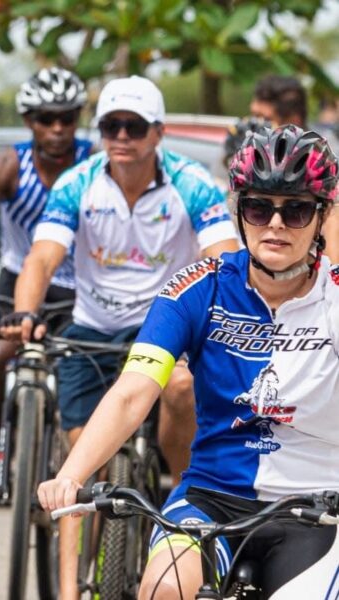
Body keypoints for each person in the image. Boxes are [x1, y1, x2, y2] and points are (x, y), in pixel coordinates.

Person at [38, 125, 339, 598]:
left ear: (322, 218)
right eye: (260, 208)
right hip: (209, 498)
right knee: (164, 586)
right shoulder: (197, 288)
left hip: (316, 505)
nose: (275, 225)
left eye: (296, 210)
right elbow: (134, 390)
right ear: (240, 212)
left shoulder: (334, 296)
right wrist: (72, 476)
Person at [0, 76, 239, 600]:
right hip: (93, 327)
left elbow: (223, 253)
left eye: (133, 127)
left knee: (180, 387)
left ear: (157, 133)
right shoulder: (78, 182)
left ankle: (185, 492)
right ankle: (67, 593)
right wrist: (24, 310)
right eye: (111, 126)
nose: (121, 137)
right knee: (78, 460)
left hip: (164, 324)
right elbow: (42, 256)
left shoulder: (191, 181)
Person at [0, 66, 93, 489]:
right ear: (29, 122)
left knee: (83, 365)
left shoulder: (94, 164)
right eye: (47, 118)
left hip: (77, 286)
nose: (58, 128)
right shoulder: (7, 166)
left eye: (67, 117)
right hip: (16, 281)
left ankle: (78, 447)